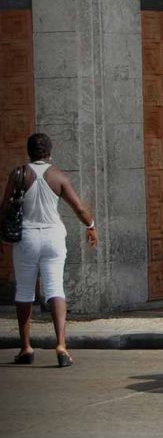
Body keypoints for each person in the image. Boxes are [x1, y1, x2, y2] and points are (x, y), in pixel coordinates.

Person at [1, 133, 98, 367]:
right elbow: (79, 207)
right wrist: (91, 226)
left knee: (24, 292)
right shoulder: (59, 176)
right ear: (49, 152)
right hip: (54, 237)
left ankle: (25, 347)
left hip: (27, 238)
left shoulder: (18, 174)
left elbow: (4, 208)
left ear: (29, 151)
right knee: (55, 289)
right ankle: (61, 345)